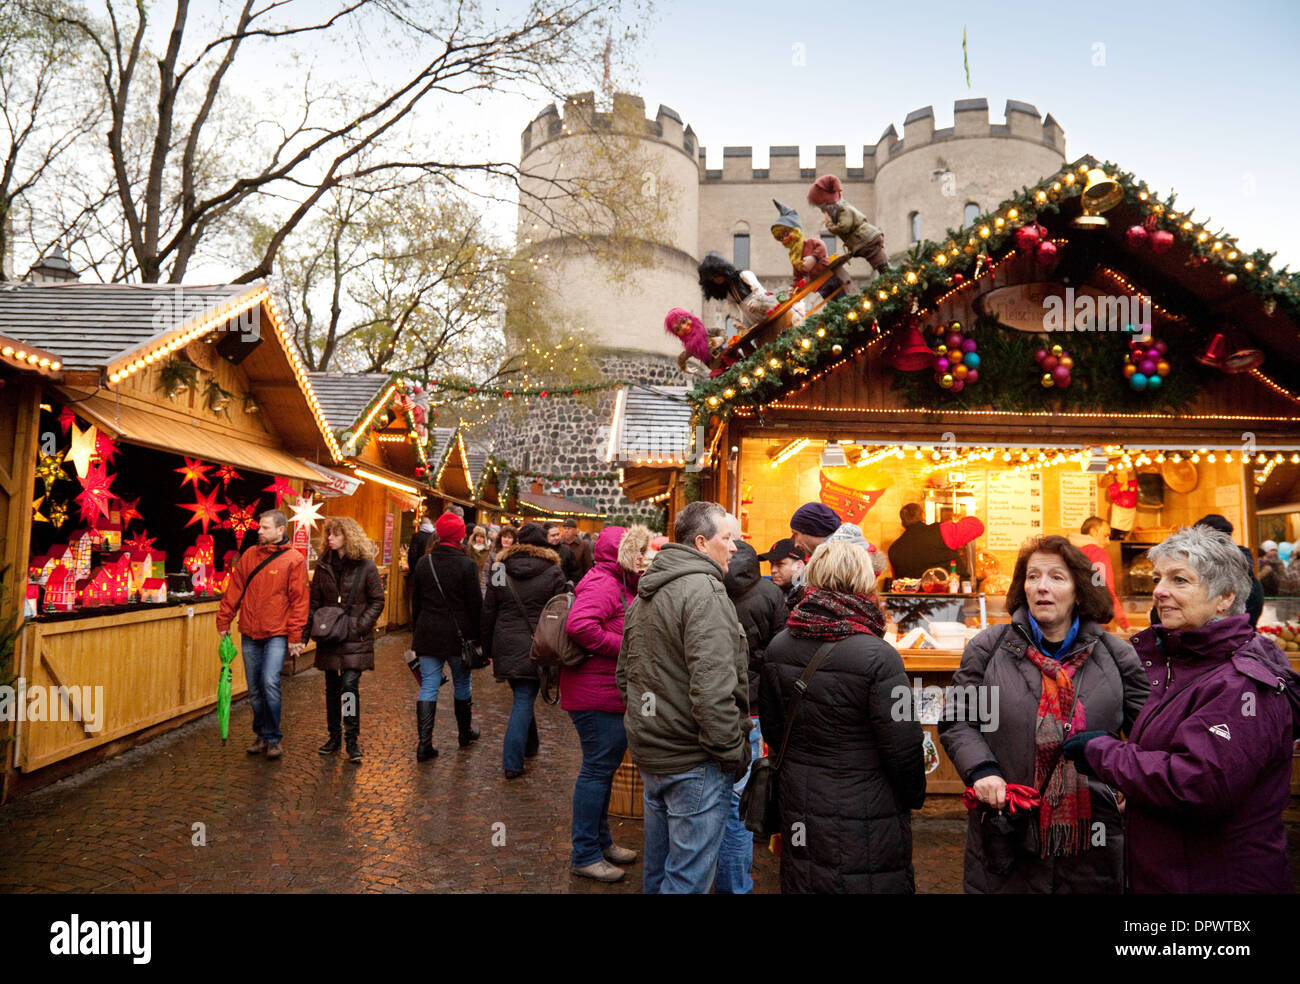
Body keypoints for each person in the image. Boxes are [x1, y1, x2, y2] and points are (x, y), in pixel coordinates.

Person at [1063, 526, 1300, 893]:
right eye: (1158, 578)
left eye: (1180, 580)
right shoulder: (1184, 663)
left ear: (1224, 597)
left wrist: (1104, 753)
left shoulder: (1240, 683)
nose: (1159, 590)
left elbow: (1198, 784)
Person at [939, 534, 1148, 894]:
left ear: (1080, 590)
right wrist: (983, 772)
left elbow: (1148, 732)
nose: (1042, 587)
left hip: (1092, 840)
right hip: (1008, 829)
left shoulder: (1116, 654)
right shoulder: (989, 649)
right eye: (1033, 577)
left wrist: (1132, 778)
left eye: (1056, 577)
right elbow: (959, 719)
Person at [760, 541, 926, 893]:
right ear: (864, 582)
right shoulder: (879, 657)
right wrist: (912, 795)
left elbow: (773, 728)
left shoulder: (780, 645)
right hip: (867, 807)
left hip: (800, 800)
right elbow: (904, 746)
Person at [616, 500, 750, 894]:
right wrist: (731, 752)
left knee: (660, 871)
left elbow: (626, 676)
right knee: (687, 879)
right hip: (693, 760)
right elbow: (712, 692)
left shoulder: (649, 591)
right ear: (702, 542)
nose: (735, 547)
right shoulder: (704, 593)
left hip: (656, 755)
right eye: (728, 539)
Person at [562, 523, 652, 883]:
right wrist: (625, 651)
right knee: (596, 771)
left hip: (605, 693)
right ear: (622, 553)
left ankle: (600, 843)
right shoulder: (604, 582)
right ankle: (584, 853)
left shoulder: (619, 582)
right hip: (595, 694)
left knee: (602, 770)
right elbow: (580, 626)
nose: (644, 557)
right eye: (639, 551)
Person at [718, 529, 788, 894]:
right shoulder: (771, 593)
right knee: (740, 799)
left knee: (717, 796)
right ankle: (736, 884)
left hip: (718, 701)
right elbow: (781, 648)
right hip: (756, 704)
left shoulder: (711, 587)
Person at [217, 509, 310, 760]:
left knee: (270, 682)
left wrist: (295, 637)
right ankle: (261, 734)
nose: (259, 531)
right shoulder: (249, 555)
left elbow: (299, 601)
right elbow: (234, 590)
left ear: (280, 530)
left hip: (276, 633)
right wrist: (224, 619)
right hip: (249, 630)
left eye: (265, 528)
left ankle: (273, 737)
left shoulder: (294, 560)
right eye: (259, 527)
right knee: (255, 688)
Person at [483, 522, 566, 779]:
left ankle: (531, 744)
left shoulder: (499, 569)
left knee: (522, 693)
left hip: (506, 642)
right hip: (537, 643)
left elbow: (489, 610)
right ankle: (512, 762)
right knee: (523, 697)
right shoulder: (553, 572)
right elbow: (560, 612)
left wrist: (488, 647)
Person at [307, 517, 384, 764]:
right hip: (329, 635)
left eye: (336, 534)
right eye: (329, 533)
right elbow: (314, 602)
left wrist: (360, 625)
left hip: (355, 637)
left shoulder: (366, 566)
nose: (330, 538)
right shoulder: (322, 566)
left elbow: (377, 600)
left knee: (349, 686)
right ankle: (334, 736)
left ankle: (352, 739)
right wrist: (308, 632)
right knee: (332, 688)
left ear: (348, 537)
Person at [410, 511, 482, 761]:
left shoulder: (423, 562)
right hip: (458, 636)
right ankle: (464, 733)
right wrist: (479, 637)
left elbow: (416, 603)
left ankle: (424, 744)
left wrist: (416, 629)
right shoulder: (467, 564)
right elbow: (475, 606)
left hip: (428, 633)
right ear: (461, 536)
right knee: (462, 684)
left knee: (429, 685)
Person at [887, 502, 984, 580]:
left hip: (913, 602)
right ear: (923, 516)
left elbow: (898, 583)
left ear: (902, 522)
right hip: (952, 599)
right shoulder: (943, 530)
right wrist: (958, 520)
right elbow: (977, 526)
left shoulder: (894, 549)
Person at [1067, 517, 1132, 631]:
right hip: (1092, 623)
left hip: (1069, 622)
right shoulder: (1096, 553)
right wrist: (1124, 623)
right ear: (1093, 532)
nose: (1108, 542)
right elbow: (1104, 588)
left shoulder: (1069, 551)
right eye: (1105, 536)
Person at [759, 537, 808, 609]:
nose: (773, 570)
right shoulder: (765, 589)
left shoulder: (812, 595)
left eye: (780, 564)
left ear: (798, 566)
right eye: (772, 564)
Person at [466, 524, 491, 593]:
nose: (479, 538)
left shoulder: (489, 550)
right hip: (472, 581)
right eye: (477, 536)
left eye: (482, 537)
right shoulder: (470, 549)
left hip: (485, 583)